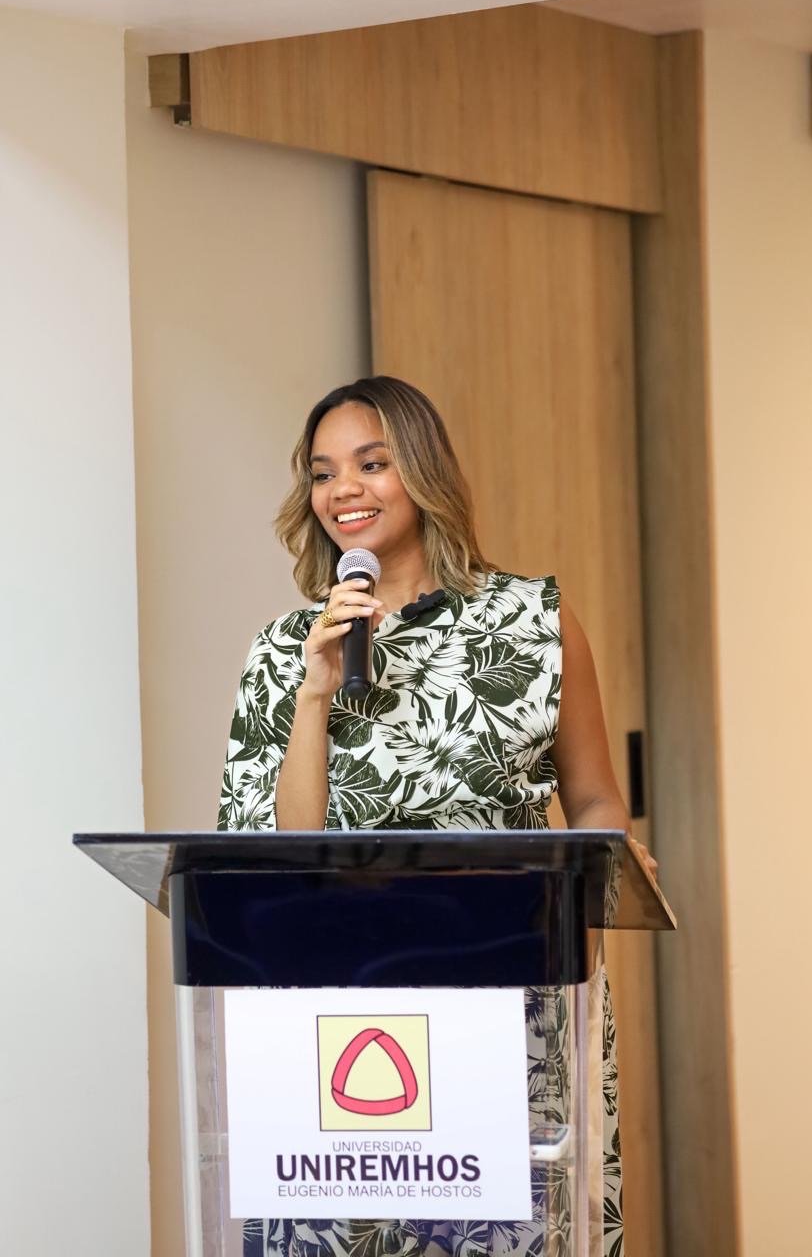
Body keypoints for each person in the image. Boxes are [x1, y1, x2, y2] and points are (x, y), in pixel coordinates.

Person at [219, 376, 652, 1257]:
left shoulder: (532, 621)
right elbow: (282, 853)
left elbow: (594, 793)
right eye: (323, 471)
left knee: (500, 1231)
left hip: (510, 989)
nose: (344, 489)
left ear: (421, 471)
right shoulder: (283, 651)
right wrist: (314, 693)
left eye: (371, 464)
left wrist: (605, 865)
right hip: (333, 1004)